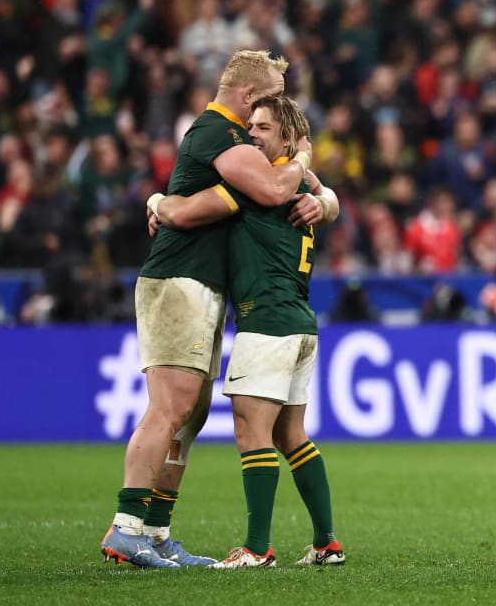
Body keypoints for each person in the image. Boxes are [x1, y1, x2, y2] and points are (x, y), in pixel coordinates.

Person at [100, 50, 330, 568]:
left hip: (203, 288)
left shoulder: (240, 150)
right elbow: (264, 191)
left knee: (190, 414)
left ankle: (156, 531)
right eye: (270, 97)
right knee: (170, 408)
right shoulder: (218, 136)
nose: (272, 111)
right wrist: (160, 203)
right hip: (178, 281)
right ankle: (127, 526)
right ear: (249, 97)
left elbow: (296, 193)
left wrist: (325, 198)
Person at [150, 95, 344, 568]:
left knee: (250, 432)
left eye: (261, 128)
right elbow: (329, 197)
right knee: (292, 435)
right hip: (300, 322)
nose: (250, 135)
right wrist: (325, 198)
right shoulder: (303, 192)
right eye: (250, 126)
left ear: (285, 139)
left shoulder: (260, 189)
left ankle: (257, 549)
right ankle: (326, 544)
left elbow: (184, 213)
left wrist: (157, 200)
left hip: (268, 322)